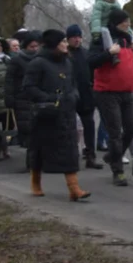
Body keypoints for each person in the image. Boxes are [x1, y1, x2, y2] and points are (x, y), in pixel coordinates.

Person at [24, 30, 90, 201]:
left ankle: (74, 189)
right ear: (54, 44)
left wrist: (74, 96)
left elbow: (73, 83)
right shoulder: (37, 63)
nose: (66, 44)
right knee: (39, 150)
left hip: (67, 113)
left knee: (69, 150)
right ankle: (35, 182)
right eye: (62, 41)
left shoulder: (68, 62)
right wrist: (49, 98)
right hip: (46, 114)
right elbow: (29, 88)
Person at [90, 9, 133, 186]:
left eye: (128, 22)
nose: (128, 25)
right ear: (115, 22)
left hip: (127, 91)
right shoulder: (100, 39)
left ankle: (112, 155)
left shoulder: (128, 40)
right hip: (107, 92)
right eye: (124, 22)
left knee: (132, 129)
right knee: (115, 132)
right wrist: (109, 53)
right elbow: (91, 61)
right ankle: (118, 171)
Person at [66, 25, 102, 170]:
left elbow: (93, 70)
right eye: (74, 37)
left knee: (89, 126)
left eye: (79, 36)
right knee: (69, 126)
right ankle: (70, 155)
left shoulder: (86, 54)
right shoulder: (64, 54)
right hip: (69, 94)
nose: (77, 39)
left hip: (86, 94)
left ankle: (90, 155)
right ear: (68, 38)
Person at [6, 30, 41, 170]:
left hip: (37, 97)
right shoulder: (17, 60)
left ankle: (37, 160)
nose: (35, 49)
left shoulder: (41, 59)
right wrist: (9, 97)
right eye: (32, 46)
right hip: (22, 99)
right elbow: (9, 80)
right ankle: (31, 162)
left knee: (39, 130)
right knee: (28, 130)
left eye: (36, 46)